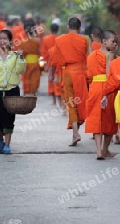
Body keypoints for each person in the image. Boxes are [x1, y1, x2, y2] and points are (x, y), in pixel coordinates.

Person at [51, 16, 89, 146]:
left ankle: (75, 134)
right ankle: (75, 133)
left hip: (67, 73)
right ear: (79, 28)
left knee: (71, 103)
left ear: (68, 27)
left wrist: (51, 74)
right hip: (81, 73)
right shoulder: (84, 40)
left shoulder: (60, 40)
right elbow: (87, 58)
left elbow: (55, 59)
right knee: (81, 102)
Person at [85, 30, 118, 159]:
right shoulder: (110, 55)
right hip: (107, 88)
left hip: (94, 88)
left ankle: (99, 151)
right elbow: (110, 74)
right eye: (113, 41)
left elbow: (89, 75)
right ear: (104, 41)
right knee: (109, 119)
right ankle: (104, 149)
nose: (115, 44)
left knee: (96, 117)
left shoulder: (92, 55)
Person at [18, 21, 41, 96]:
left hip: (26, 64)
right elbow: (40, 52)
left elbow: (21, 55)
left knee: (27, 79)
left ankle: (26, 92)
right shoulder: (38, 41)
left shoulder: (22, 42)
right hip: (35, 63)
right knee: (35, 79)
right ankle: (33, 92)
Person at [42, 24, 60, 105]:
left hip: (50, 61)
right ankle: (59, 100)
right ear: (58, 30)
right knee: (58, 80)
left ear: (50, 29)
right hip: (60, 62)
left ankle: (54, 101)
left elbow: (44, 52)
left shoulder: (46, 39)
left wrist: (45, 63)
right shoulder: (60, 39)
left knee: (51, 80)